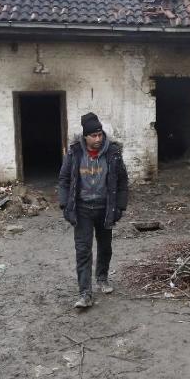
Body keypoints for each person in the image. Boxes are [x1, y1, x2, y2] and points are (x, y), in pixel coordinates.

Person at [58, 112, 129, 309]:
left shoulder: (113, 153)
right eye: (93, 136)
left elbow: (122, 181)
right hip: (82, 210)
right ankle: (85, 293)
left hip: (105, 208)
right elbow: (64, 180)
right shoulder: (74, 153)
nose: (98, 139)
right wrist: (65, 205)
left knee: (105, 247)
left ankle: (102, 278)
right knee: (83, 250)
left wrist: (120, 206)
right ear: (85, 136)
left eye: (100, 135)